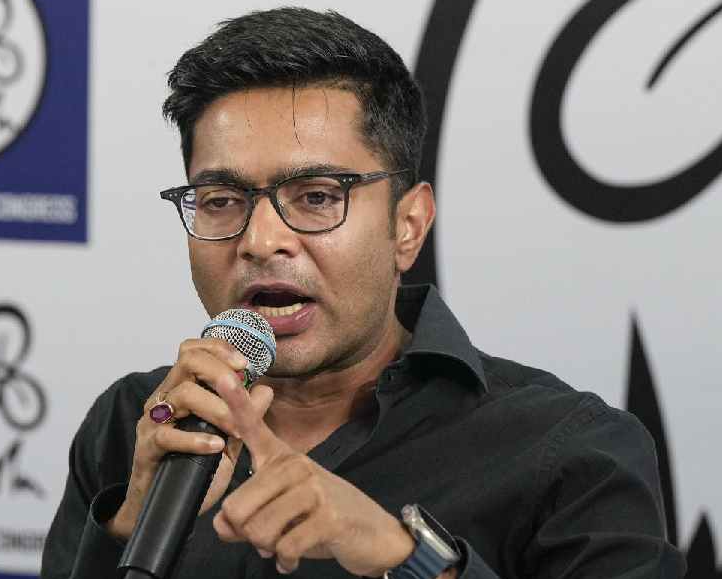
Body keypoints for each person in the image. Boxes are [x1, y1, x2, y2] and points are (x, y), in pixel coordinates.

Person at [41, 7, 684, 579]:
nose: (261, 240)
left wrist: (406, 556)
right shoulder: (133, 422)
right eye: (220, 200)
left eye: (317, 197)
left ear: (408, 226)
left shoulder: (571, 450)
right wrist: (127, 527)